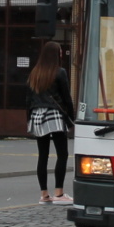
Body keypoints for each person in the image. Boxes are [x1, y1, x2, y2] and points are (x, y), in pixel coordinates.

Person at [25, 41, 76, 204]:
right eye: (60, 52)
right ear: (56, 55)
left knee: (43, 155)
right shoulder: (59, 72)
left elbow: (28, 99)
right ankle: (59, 194)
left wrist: (28, 120)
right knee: (62, 153)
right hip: (54, 115)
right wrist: (72, 119)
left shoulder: (35, 72)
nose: (61, 54)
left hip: (37, 115)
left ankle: (44, 195)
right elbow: (66, 98)